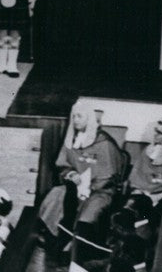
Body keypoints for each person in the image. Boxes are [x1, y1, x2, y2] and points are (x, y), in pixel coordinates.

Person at [37, 103, 124, 252]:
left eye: (80, 116)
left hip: (100, 191)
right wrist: (71, 174)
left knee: (88, 213)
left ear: (89, 119)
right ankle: (54, 238)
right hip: (74, 186)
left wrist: (89, 188)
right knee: (55, 195)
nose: (76, 120)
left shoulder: (105, 143)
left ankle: (75, 250)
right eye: (74, 116)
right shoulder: (71, 140)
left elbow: (110, 176)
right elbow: (63, 165)